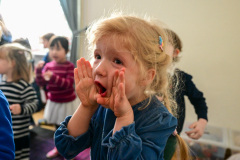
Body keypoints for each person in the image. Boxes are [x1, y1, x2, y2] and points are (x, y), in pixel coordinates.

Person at [54, 13, 190, 159]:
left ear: (146, 76)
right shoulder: (102, 106)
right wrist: (86, 107)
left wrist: (124, 117)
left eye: (117, 61)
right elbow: (66, 148)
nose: (99, 69)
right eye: (98, 56)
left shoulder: (158, 119)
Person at [35, 36, 79, 159]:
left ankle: (69, 151)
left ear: (66, 51)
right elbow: (41, 83)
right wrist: (38, 71)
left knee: (69, 129)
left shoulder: (69, 66)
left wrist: (53, 77)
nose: (54, 52)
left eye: (58, 49)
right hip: (54, 102)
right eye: (52, 48)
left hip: (67, 103)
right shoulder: (48, 66)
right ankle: (58, 147)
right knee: (57, 128)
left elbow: (68, 84)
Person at [165, 29, 208, 139]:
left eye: (163, 42)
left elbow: (199, 99)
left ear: (175, 53)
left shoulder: (182, 78)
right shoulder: (145, 73)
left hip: (171, 135)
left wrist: (202, 121)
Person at [0, 43, 39, 160]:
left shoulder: (24, 86)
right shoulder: (2, 83)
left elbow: (34, 105)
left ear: (12, 63)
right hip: (6, 134)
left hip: (19, 134)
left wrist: (22, 109)